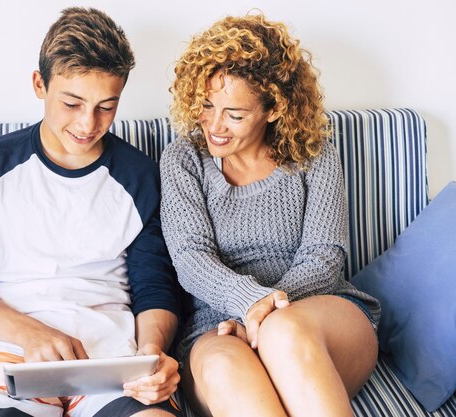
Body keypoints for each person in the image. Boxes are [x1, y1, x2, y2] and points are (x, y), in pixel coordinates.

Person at [0, 7, 182, 417]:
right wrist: (32, 334)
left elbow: (155, 288)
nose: (88, 123)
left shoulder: (140, 175)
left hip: (112, 358)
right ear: (39, 84)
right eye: (72, 102)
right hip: (10, 353)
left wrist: (151, 356)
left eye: (107, 106)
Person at [159, 12, 380, 417]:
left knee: (284, 331)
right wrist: (250, 302)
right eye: (207, 106)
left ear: (274, 108)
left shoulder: (314, 155)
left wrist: (263, 315)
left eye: (235, 114)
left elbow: (324, 254)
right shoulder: (184, 159)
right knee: (228, 366)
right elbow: (190, 258)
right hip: (218, 328)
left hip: (320, 315)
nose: (215, 126)